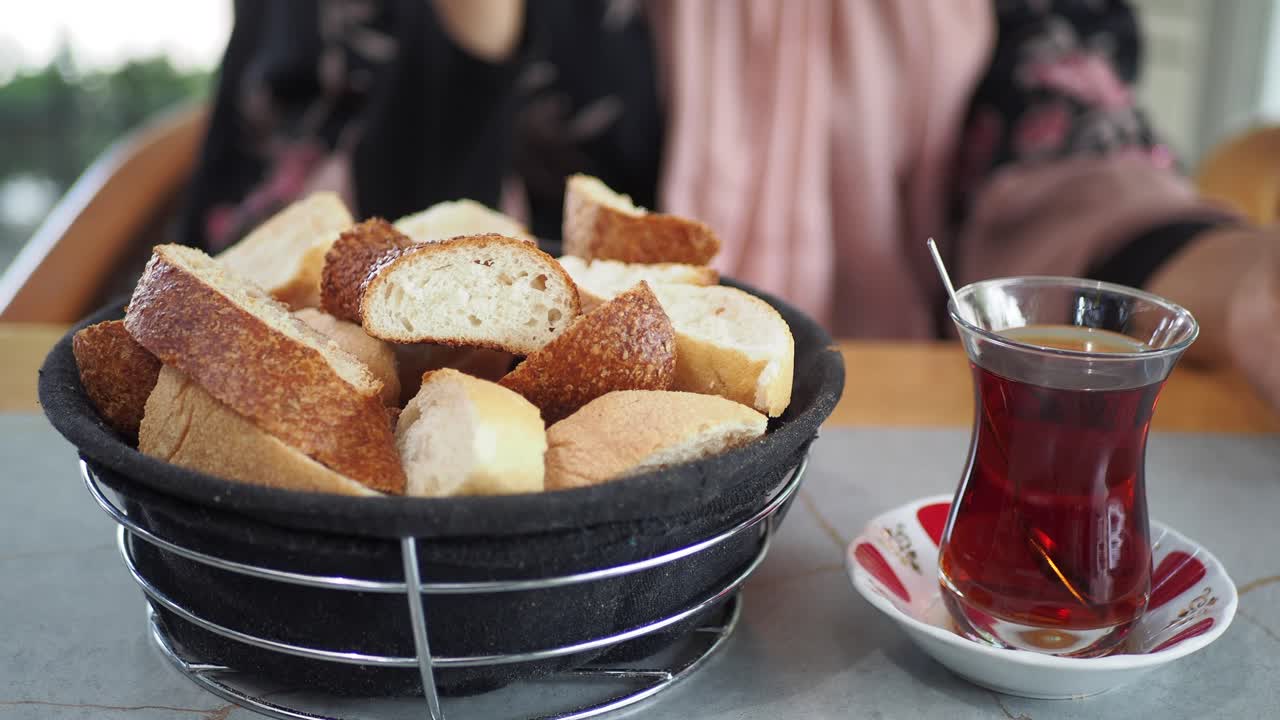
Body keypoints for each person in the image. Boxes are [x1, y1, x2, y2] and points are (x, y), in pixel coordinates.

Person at [181, 0, 1280, 409]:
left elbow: (1088, 180)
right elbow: (319, 282)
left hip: (894, 454)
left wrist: (1247, 294)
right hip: (514, 528)